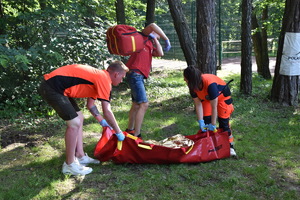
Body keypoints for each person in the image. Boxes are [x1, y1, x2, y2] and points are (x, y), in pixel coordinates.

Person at [38, 61, 129, 175]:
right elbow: (107, 110)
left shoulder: (100, 78)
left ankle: (80, 156)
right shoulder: (104, 79)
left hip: (58, 88)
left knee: (79, 117)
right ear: (116, 74)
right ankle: (69, 164)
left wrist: (101, 120)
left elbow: (90, 105)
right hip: (52, 87)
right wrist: (118, 131)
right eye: (122, 77)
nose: (121, 81)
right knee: (74, 123)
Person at [125, 23, 171, 138]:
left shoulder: (150, 42)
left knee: (136, 104)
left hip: (137, 75)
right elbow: (153, 25)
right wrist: (166, 38)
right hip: (135, 73)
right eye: (157, 34)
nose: (158, 36)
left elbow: (160, 53)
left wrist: (156, 39)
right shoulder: (143, 36)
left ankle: (130, 130)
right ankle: (137, 134)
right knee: (144, 104)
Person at [183, 66, 237, 157]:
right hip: (207, 100)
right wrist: (201, 121)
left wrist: (213, 124)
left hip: (222, 99)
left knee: (223, 123)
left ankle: (230, 146)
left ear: (191, 79)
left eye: (185, 78)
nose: (184, 80)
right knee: (206, 121)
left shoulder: (210, 84)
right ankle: (209, 145)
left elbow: (214, 106)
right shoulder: (192, 86)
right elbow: (198, 104)